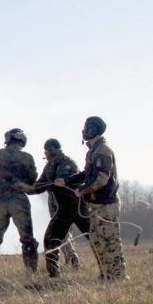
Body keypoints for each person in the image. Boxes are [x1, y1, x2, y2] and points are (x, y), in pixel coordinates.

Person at [56, 116, 127, 281]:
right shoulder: (92, 151)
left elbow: (101, 178)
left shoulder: (103, 150)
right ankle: (106, 274)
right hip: (95, 205)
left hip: (106, 205)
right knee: (96, 241)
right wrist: (66, 181)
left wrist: (81, 191)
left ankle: (119, 276)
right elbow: (86, 174)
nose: (84, 131)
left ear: (94, 130)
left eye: (87, 127)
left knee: (111, 241)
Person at [20, 139, 89, 277]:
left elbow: (59, 182)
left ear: (56, 151)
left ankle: (109, 269)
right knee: (50, 240)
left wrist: (47, 185)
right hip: (63, 209)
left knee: (94, 237)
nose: (47, 154)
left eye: (49, 151)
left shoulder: (68, 163)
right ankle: (54, 274)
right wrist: (24, 188)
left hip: (78, 207)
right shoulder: (49, 167)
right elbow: (40, 185)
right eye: (46, 152)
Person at [0, 128, 40, 286]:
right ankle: (30, 275)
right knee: (27, 238)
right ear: (22, 140)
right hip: (19, 201)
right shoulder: (27, 157)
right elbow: (32, 180)